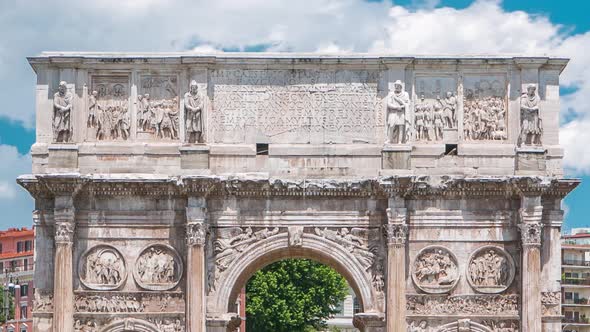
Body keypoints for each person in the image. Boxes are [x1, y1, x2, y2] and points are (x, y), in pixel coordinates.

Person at [386, 80, 410, 144]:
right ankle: (389, 139)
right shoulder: (391, 94)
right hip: (393, 112)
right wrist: (396, 107)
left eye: (398, 86)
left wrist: (401, 106)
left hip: (401, 112)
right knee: (391, 126)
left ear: (401, 87)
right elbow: (388, 104)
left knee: (401, 127)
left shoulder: (405, 94)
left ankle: (400, 141)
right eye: (395, 86)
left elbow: (407, 104)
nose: (396, 87)